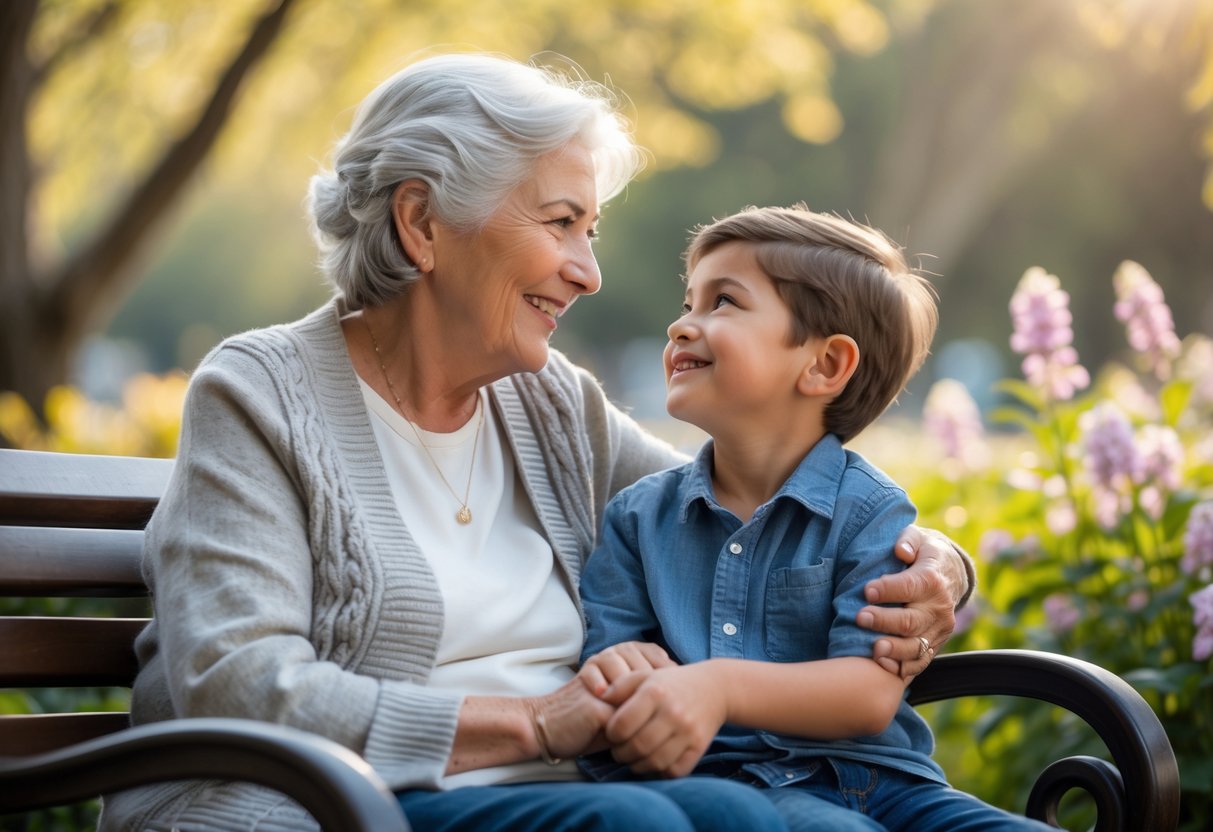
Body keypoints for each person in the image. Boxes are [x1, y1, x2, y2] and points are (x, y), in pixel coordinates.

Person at [99, 55, 972, 832]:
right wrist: (535, 723)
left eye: (589, 233)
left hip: (568, 796)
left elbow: (758, 505)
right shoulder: (260, 393)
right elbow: (240, 681)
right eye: (560, 224)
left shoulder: (550, 404)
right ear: (422, 223)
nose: (588, 270)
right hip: (335, 803)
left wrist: (934, 563)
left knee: (731, 813)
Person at [577, 206, 1050, 831]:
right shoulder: (638, 519)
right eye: (688, 302)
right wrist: (618, 670)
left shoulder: (871, 510)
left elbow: (868, 694)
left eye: (722, 302)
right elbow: (611, 663)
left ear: (824, 365)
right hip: (725, 790)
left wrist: (718, 685)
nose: (681, 325)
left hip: (885, 785)